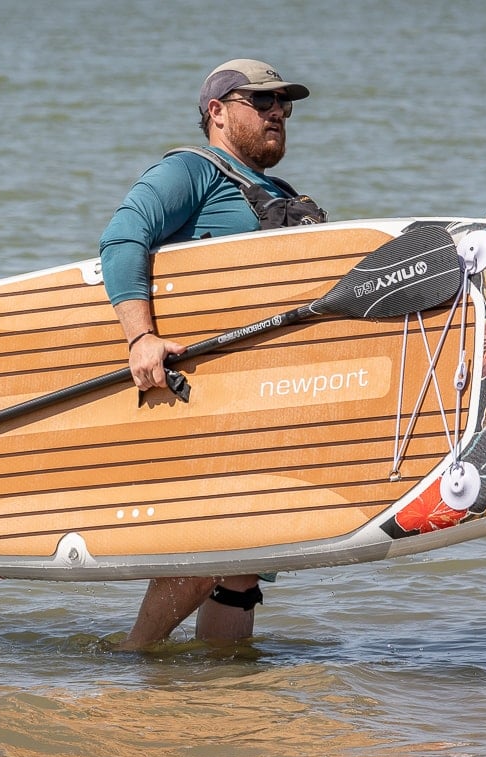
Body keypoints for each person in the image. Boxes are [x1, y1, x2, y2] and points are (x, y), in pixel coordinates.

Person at [98, 59, 326, 650]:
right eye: (263, 101)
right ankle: (131, 663)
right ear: (217, 112)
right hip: (203, 392)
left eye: (285, 105)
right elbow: (124, 236)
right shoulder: (190, 171)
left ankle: (221, 688)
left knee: (245, 564)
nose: (279, 112)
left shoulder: (277, 193)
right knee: (214, 536)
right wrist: (139, 337)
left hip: (266, 394)